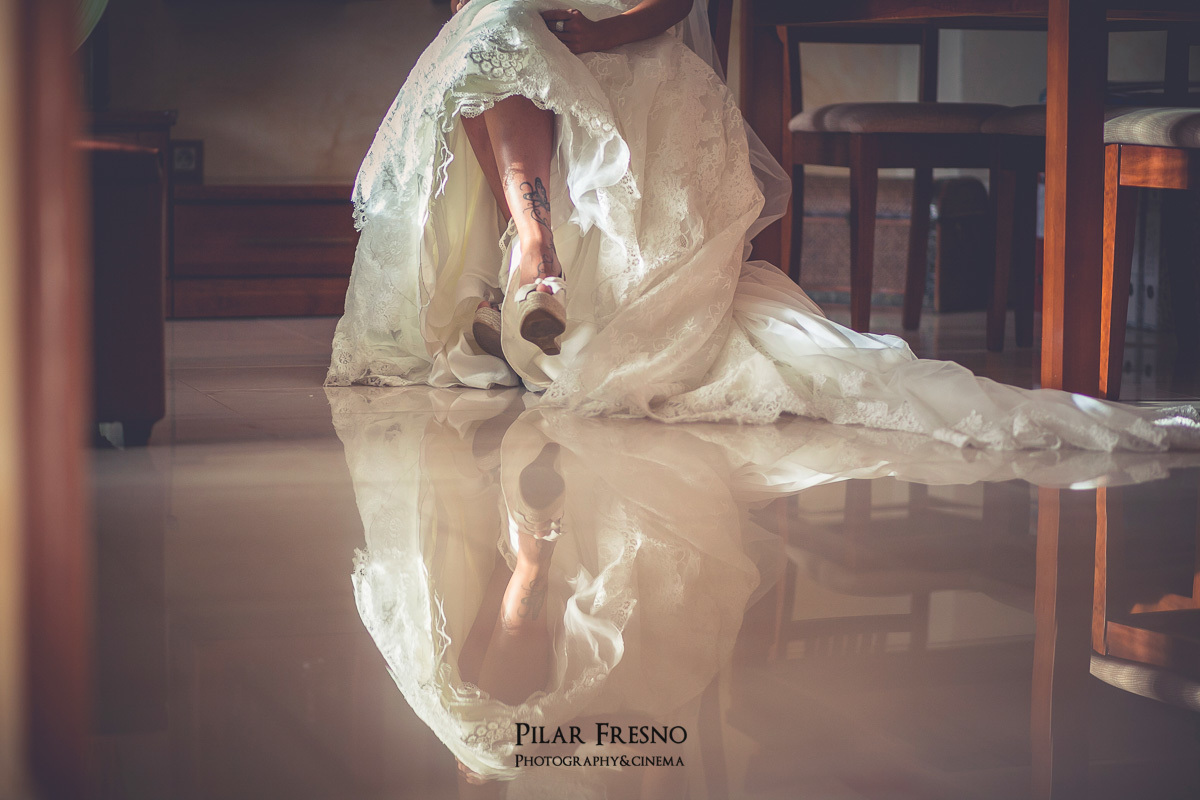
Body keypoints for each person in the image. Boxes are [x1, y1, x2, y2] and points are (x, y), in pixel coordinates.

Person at [326, 0, 1200, 452]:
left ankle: (526, 270)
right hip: (530, 48)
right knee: (487, 32)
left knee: (500, 37)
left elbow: (673, 3)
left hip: (622, 47)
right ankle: (534, 248)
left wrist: (596, 34)